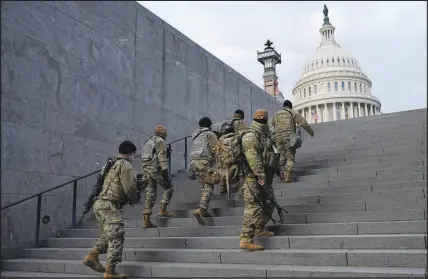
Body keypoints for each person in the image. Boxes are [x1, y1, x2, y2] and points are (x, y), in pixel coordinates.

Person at [82, 140, 139, 278]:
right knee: (116, 235)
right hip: (109, 205)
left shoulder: (110, 164)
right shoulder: (125, 165)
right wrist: (134, 199)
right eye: (134, 154)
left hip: (99, 204)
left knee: (108, 235)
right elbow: (130, 187)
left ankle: (92, 256)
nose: (134, 157)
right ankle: (110, 272)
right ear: (130, 153)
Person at [239, 109, 276, 251]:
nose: (262, 119)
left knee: (269, 201)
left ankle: (259, 229)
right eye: (260, 118)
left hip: (263, 176)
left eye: (264, 117)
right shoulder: (251, 135)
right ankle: (246, 239)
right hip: (252, 177)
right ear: (255, 119)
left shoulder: (264, 135)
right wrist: (260, 175)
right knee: (252, 206)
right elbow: (252, 157)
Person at [270, 100, 314, 183]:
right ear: (290, 106)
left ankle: (283, 174)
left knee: (282, 157)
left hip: (278, 138)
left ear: (283, 106)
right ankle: (288, 177)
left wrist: (273, 135)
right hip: (289, 137)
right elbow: (303, 122)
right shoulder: (292, 112)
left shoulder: (276, 114)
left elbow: (270, 125)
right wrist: (311, 132)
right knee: (290, 157)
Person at [189, 117, 222, 226]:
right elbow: (215, 149)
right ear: (209, 125)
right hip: (204, 162)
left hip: (194, 163)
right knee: (209, 185)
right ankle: (201, 209)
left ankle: (204, 208)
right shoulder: (210, 134)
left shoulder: (195, 135)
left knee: (204, 184)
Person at [140, 125, 175, 228]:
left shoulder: (148, 140)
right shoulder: (160, 140)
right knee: (169, 187)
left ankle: (146, 220)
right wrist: (165, 171)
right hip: (155, 169)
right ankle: (162, 210)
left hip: (146, 168)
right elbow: (161, 156)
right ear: (164, 133)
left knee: (150, 193)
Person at [217, 109, 248, 195]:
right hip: (234, 150)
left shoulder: (224, 123)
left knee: (224, 168)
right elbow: (246, 136)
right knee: (242, 169)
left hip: (222, 148)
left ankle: (223, 187)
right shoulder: (239, 123)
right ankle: (241, 190)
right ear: (242, 117)